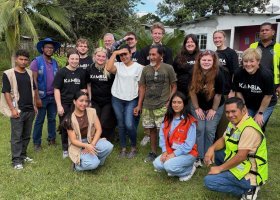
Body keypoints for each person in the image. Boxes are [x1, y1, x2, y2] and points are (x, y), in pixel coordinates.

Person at [204, 97, 268, 200]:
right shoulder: (234, 122)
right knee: (217, 154)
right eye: (227, 112)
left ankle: (249, 189)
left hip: (251, 173)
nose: (230, 115)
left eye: (233, 111)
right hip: (243, 163)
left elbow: (241, 156)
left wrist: (219, 168)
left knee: (209, 181)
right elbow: (223, 139)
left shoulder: (249, 129)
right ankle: (231, 176)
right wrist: (211, 149)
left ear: (243, 110)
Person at [135, 45, 177, 162]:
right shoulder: (146, 69)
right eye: (150, 55)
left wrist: (169, 101)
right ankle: (153, 152)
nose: (151, 57)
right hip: (148, 106)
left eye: (154, 55)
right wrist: (139, 105)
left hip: (162, 105)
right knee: (151, 130)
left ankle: (168, 152)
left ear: (161, 55)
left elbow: (174, 86)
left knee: (165, 131)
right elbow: (142, 87)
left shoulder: (168, 68)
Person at [1, 50, 37, 169]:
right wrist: (12, 109)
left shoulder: (30, 73)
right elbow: (6, 92)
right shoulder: (8, 74)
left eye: (26, 60)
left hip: (30, 109)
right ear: (16, 59)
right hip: (18, 110)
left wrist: (35, 105)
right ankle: (16, 160)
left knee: (26, 135)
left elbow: (33, 89)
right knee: (17, 136)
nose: (23, 62)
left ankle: (23, 155)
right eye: (21, 59)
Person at [61, 91, 113, 171]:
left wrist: (91, 145)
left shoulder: (92, 111)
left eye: (86, 101)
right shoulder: (69, 119)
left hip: (91, 141)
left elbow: (99, 129)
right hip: (78, 145)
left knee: (108, 146)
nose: (84, 103)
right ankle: (76, 167)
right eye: (81, 101)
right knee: (93, 164)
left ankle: (97, 161)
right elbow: (73, 140)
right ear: (74, 101)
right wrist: (86, 146)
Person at [106, 46, 143, 158]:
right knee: (121, 124)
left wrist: (139, 105)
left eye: (125, 54)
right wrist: (115, 53)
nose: (123, 57)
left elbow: (142, 87)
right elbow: (108, 68)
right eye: (121, 55)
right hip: (117, 98)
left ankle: (133, 147)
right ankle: (123, 148)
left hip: (131, 99)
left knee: (129, 124)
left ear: (131, 53)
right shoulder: (118, 65)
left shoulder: (139, 67)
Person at [189, 50, 224, 168]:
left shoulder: (219, 73)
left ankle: (208, 155)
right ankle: (198, 156)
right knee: (199, 128)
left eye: (209, 60)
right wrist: (197, 108)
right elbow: (192, 92)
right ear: (199, 61)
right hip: (198, 105)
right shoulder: (193, 72)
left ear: (213, 61)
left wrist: (213, 110)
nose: (206, 62)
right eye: (204, 60)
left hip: (215, 105)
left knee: (209, 129)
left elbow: (218, 95)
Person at [153, 92, 198, 181]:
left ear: (184, 104)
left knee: (168, 166)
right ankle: (175, 168)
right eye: (174, 102)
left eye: (179, 102)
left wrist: (173, 155)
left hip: (187, 153)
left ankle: (189, 169)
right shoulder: (167, 118)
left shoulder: (190, 121)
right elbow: (162, 136)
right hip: (170, 151)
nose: (176, 105)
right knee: (157, 164)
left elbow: (188, 145)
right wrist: (165, 151)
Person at [233, 48, 277, 131]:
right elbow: (238, 91)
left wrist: (260, 113)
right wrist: (243, 105)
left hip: (266, 103)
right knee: (243, 123)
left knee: (255, 126)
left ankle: (258, 141)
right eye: (245, 61)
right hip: (249, 103)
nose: (248, 64)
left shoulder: (266, 75)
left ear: (258, 62)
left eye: (252, 61)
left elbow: (268, 96)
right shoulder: (238, 73)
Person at [54, 49, 86, 158]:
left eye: (76, 59)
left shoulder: (81, 72)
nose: (74, 61)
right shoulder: (62, 72)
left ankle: (77, 145)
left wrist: (83, 102)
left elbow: (83, 89)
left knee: (78, 125)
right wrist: (59, 105)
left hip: (77, 104)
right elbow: (56, 89)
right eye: (72, 58)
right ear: (68, 59)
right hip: (64, 103)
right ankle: (65, 149)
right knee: (65, 125)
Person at [30, 38, 60, 151]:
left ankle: (51, 139)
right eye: (47, 47)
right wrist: (36, 98)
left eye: (51, 48)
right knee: (40, 120)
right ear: (42, 48)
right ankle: (37, 143)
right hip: (42, 97)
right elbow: (34, 81)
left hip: (53, 96)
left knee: (52, 119)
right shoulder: (36, 62)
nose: (49, 49)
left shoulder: (55, 62)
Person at [213, 30, 239, 140]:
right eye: (215, 38)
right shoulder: (214, 54)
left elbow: (235, 73)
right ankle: (215, 139)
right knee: (215, 117)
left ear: (224, 38)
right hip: (216, 91)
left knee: (225, 118)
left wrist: (232, 90)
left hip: (227, 91)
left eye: (219, 37)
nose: (217, 40)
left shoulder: (231, 53)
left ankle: (222, 141)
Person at [86, 47, 116, 140]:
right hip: (95, 100)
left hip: (108, 100)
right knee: (96, 121)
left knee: (104, 121)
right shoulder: (90, 68)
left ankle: (105, 140)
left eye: (103, 56)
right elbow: (89, 85)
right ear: (94, 56)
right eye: (98, 56)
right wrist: (90, 100)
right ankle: (96, 140)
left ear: (106, 58)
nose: (101, 58)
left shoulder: (109, 68)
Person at [250, 22, 280, 94]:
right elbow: (246, 63)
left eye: (267, 30)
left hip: (272, 84)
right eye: (262, 30)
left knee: (269, 104)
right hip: (254, 82)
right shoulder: (253, 46)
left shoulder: (278, 47)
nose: (264, 32)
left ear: (273, 32)